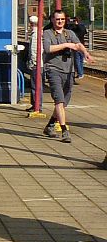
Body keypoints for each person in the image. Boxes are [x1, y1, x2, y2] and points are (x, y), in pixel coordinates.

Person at [40, 9, 93, 143]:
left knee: (64, 101)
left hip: (68, 71)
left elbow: (78, 44)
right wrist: (66, 45)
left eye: (62, 19)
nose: (60, 22)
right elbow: (48, 49)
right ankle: (64, 130)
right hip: (53, 69)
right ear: (52, 19)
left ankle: (50, 124)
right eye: (57, 19)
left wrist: (85, 53)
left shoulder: (69, 33)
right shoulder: (47, 33)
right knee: (59, 100)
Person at [69, 13, 86, 79]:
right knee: (81, 59)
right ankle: (81, 73)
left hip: (76, 45)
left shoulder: (74, 27)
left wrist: (74, 24)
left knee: (77, 59)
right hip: (82, 44)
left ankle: (80, 73)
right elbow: (84, 32)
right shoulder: (82, 26)